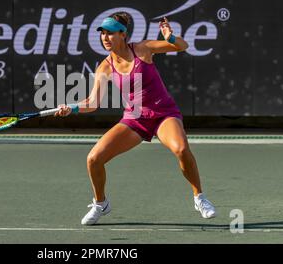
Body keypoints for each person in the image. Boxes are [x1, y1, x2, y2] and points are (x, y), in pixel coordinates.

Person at [54, 12, 216, 225]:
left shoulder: (143, 49)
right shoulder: (105, 66)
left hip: (163, 114)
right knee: (93, 159)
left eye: (110, 33)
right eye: (102, 33)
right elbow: (92, 103)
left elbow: (182, 47)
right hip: (135, 119)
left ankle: (199, 198)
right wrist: (72, 108)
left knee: (181, 149)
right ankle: (100, 204)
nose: (105, 38)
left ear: (123, 34)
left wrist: (169, 37)